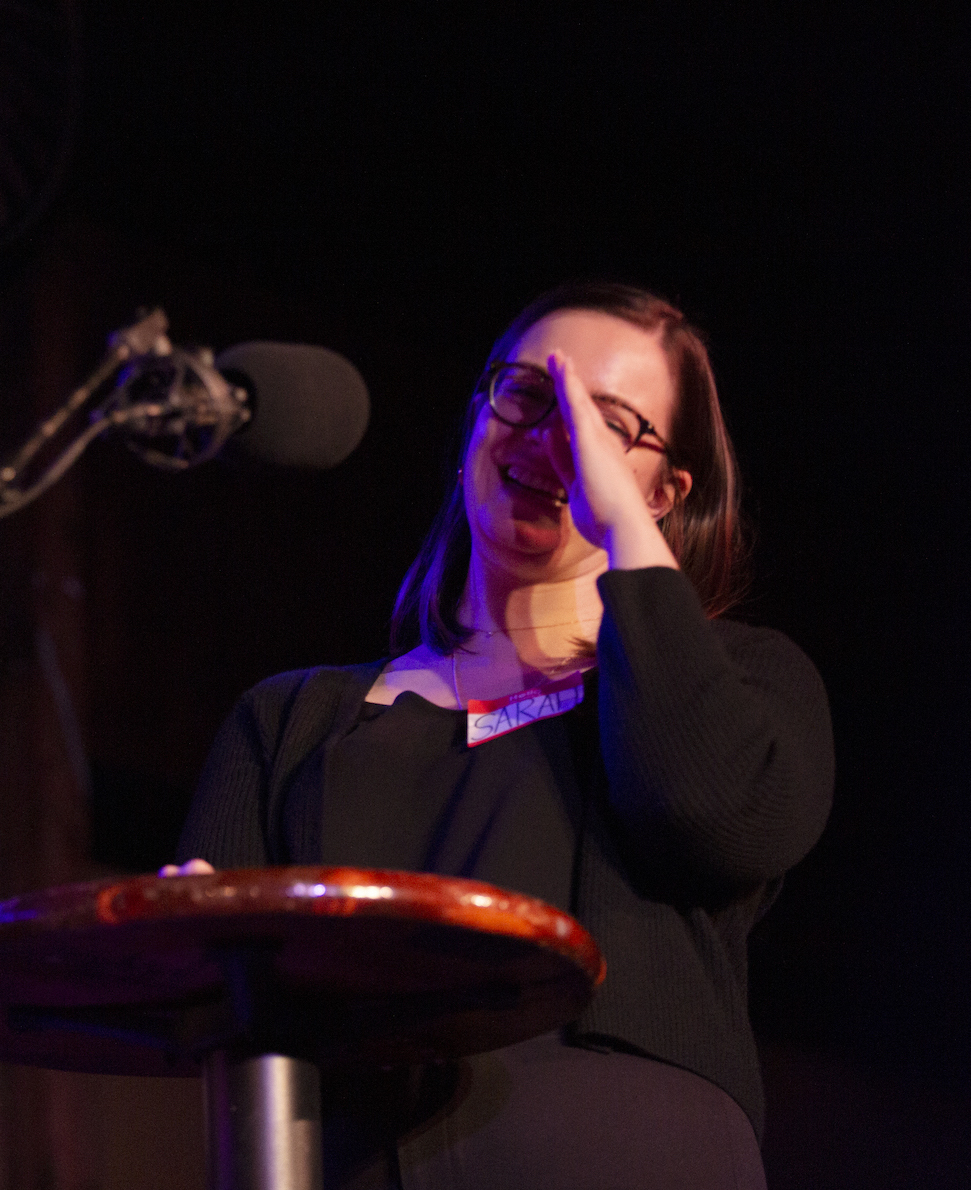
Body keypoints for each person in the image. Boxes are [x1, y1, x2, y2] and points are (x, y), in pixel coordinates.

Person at [174, 283, 834, 1189]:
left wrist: (624, 536)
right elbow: (204, 1007)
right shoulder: (289, 722)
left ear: (663, 490)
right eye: (526, 394)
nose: (548, 434)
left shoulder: (741, 681)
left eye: (606, 425)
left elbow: (716, 816)